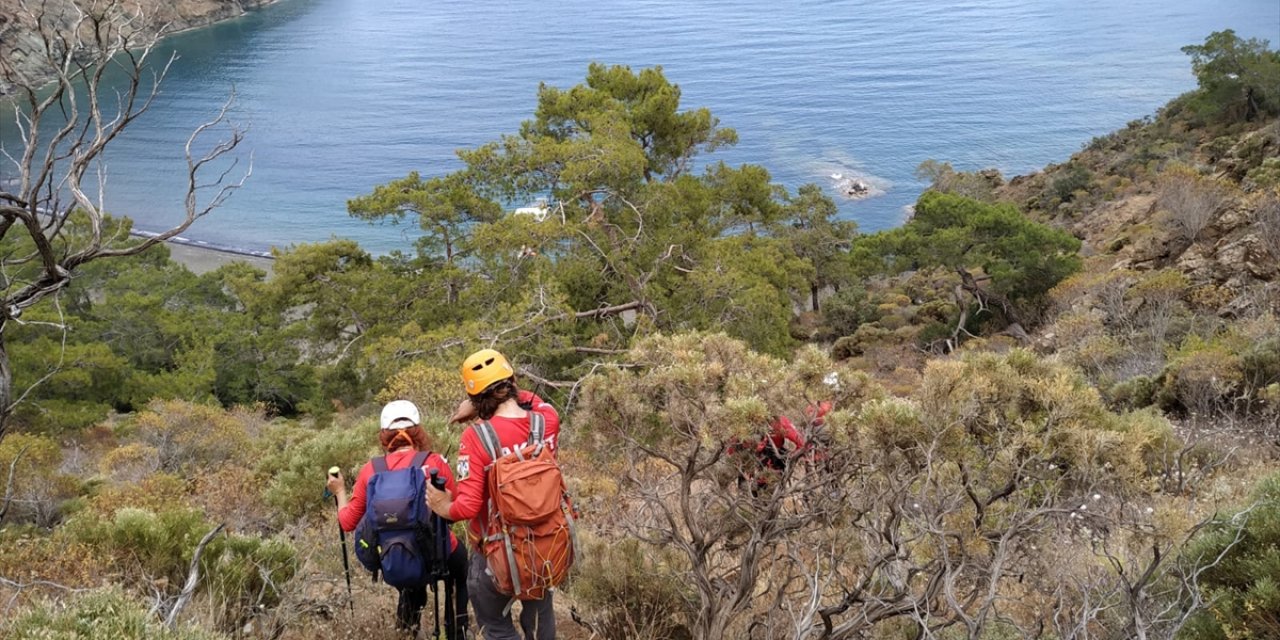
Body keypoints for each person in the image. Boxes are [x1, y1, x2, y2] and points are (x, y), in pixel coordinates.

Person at [425, 348, 561, 640]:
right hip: (545, 545)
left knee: (495, 625)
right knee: (540, 620)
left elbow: (468, 507)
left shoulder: (475, 437)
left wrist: (442, 505)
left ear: (475, 398)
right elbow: (534, 401)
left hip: (496, 553)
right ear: (512, 381)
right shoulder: (546, 420)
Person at [326, 400, 469, 639]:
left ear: (384, 435)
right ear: (418, 432)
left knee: (410, 585)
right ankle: (459, 629)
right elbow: (452, 511)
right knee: (462, 566)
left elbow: (348, 522)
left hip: (395, 556)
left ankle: (407, 630)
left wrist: (339, 491)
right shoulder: (434, 462)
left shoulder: (371, 470)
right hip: (436, 553)